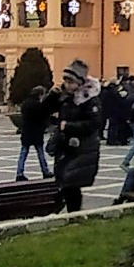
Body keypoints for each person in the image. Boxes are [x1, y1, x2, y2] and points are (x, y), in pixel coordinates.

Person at [46, 59, 103, 212]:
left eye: (71, 82)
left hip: (82, 148)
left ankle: (72, 214)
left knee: (70, 184)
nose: (68, 85)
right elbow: (43, 110)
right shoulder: (65, 96)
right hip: (65, 147)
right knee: (65, 184)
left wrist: (69, 126)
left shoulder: (89, 98)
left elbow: (94, 123)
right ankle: (68, 214)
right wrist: (52, 95)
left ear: (80, 82)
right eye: (66, 81)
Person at [16, 85, 54, 181]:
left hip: (26, 132)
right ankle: (45, 171)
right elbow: (42, 118)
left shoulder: (25, 104)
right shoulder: (38, 105)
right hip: (36, 133)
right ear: (40, 94)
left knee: (23, 154)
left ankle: (19, 173)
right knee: (40, 154)